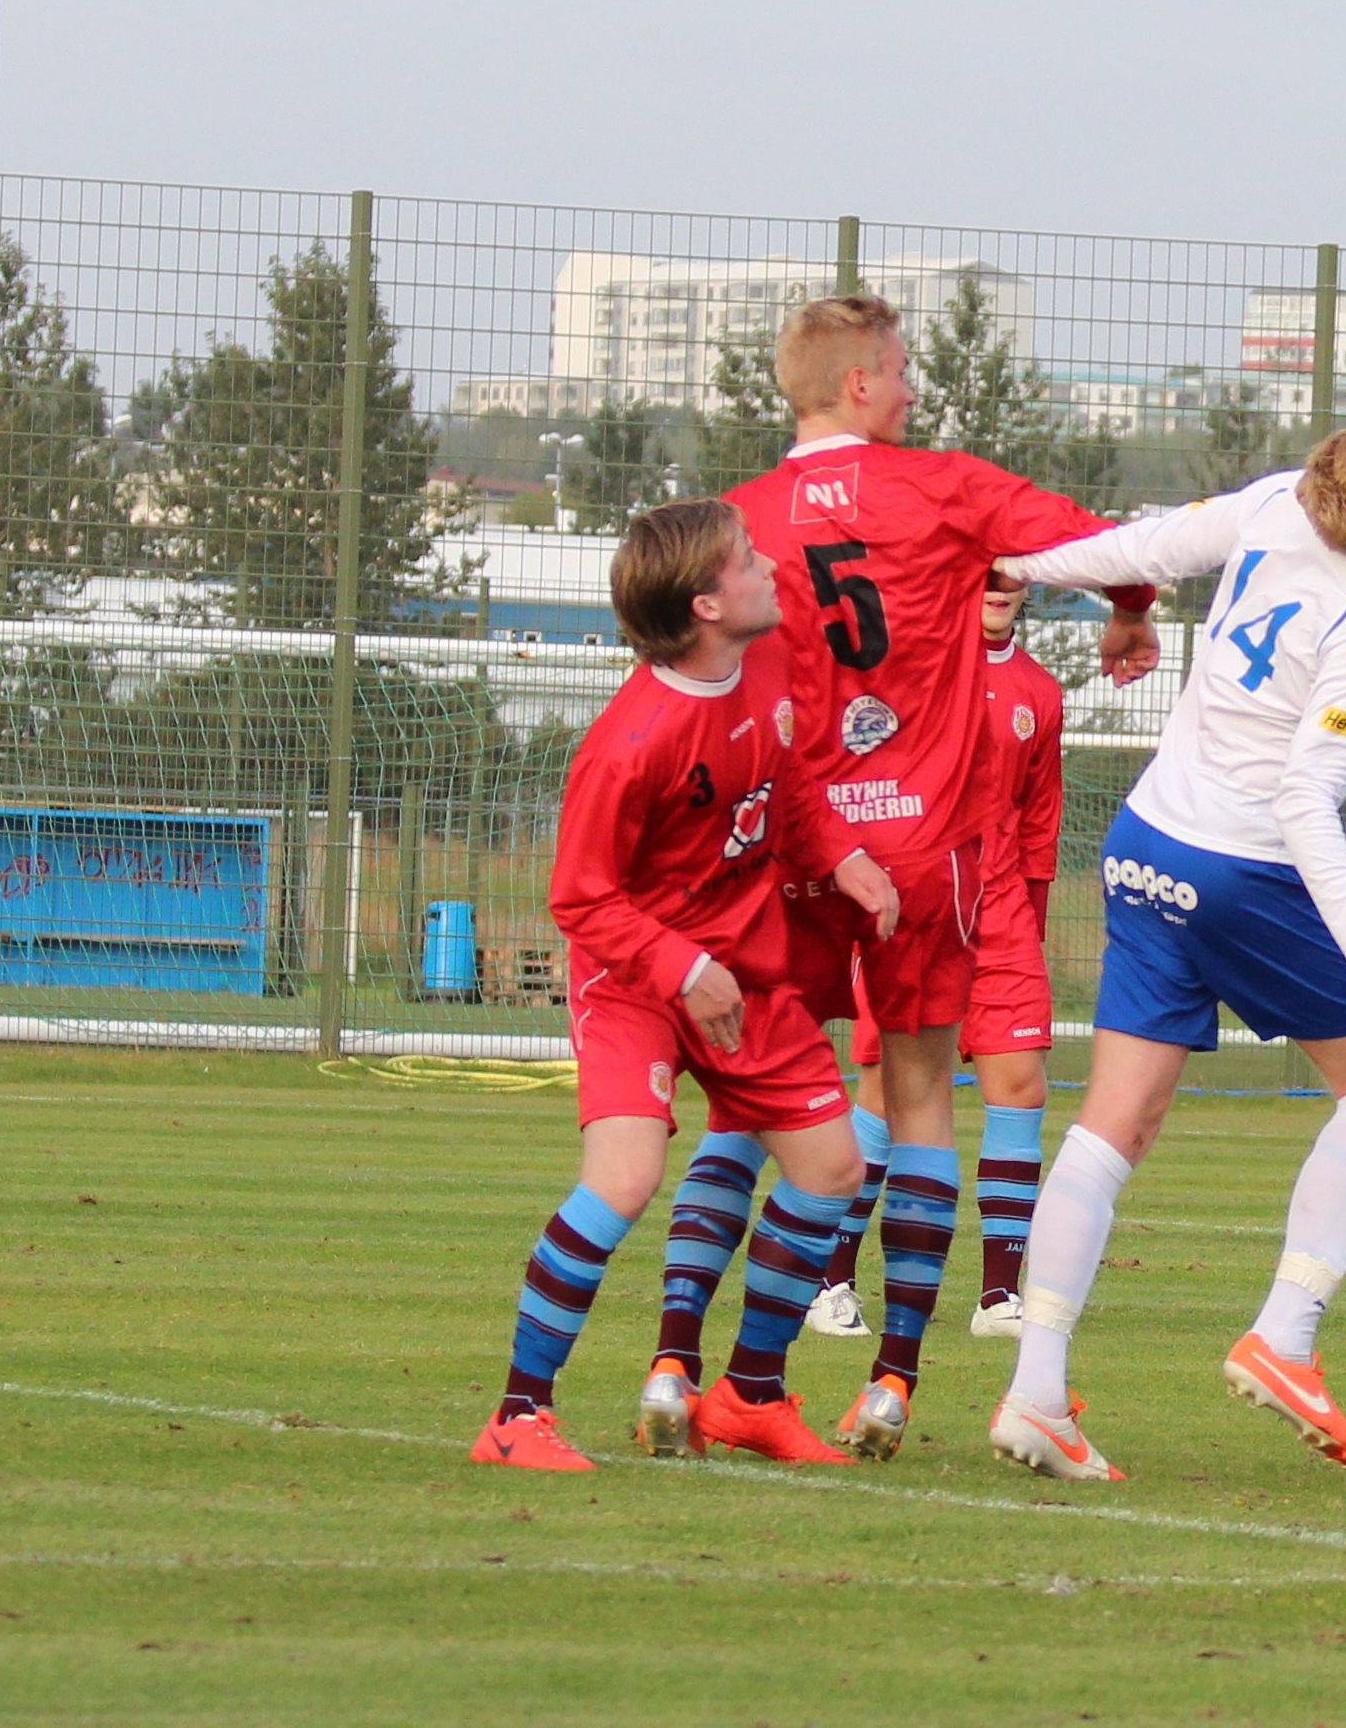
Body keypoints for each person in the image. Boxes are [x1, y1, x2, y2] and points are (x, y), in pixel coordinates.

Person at [641, 296, 1154, 1464]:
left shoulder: (741, 520)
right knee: (920, 1095)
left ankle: (676, 1361)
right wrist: (1129, 612)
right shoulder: (944, 485)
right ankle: (890, 1385)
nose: (915, 390)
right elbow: (1107, 549)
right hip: (924, 846)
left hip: (791, 838)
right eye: (905, 370)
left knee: (749, 1101)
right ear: (863, 382)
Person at [976, 426, 1346, 1481]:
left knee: (1115, 1123)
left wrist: (1020, 561)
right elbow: (1303, 794)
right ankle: (1284, 1335)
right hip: (1242, 865)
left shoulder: (1279, 498)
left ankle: (1036, 1392)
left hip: (1145, 843)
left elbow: (1140, 547)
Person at [473, 500, 901, 1471]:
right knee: (623, 1178)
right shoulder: (630, 743)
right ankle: (516, 1417)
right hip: (635, 977)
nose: (767, 566)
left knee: (831, 1169)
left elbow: (789, 792)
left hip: (741, 970)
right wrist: (681, 966)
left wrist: (842, 856)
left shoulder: (771, 662)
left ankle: (748, 1395)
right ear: (707, 604)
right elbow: (579, 898)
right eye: (746, 559)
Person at [806, 577, 1067, 1353]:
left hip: (1002, 915)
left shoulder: (1038, 692)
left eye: (1015, 570)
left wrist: (1027, 924)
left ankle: (998, 1296)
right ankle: (831, 1281)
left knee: (1020, 1084)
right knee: (889, 1091)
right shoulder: (906, 672)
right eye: (985, 569)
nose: (1000, 584)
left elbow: (1039, 816)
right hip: (914, 907)